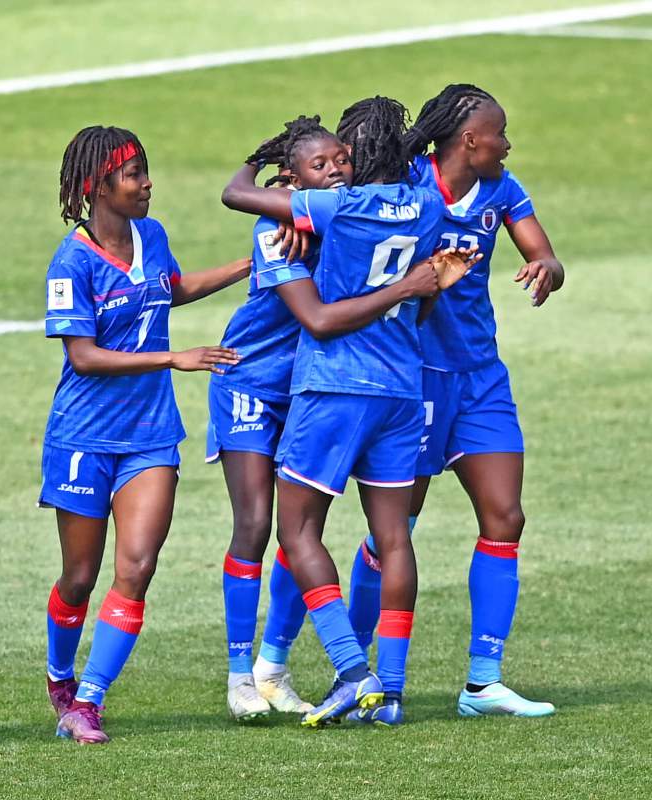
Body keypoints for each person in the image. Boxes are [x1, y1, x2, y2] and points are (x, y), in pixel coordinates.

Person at [210, 115, 475, 722]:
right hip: (325, 386)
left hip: (328, 386)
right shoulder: (407, 208)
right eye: (321, 165)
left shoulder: (332, 215)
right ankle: (358, 687)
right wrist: (417, 284)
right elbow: (402, 290)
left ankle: (325, 669)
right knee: (346, 532)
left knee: (297, 531)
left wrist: (292, 201)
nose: (335, 171)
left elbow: (327, 311)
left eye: (342, 159)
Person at [345, 84, 563, 718]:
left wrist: (547, 266)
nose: (508, 143)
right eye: (500, 134)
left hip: (480, 376)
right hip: (414, 378)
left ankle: (482, 681)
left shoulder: (501, 188)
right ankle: (356, 667)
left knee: (506, 517)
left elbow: (540, 248)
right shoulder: (407, 179)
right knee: (395, 530)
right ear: (470, 141)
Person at [41, 125, 251, 745]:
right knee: (79, 577)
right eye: (133, 175)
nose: (146, 183)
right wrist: (173, 359)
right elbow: (83, 356)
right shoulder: (72, 260)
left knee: (136, 565)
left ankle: (88, 702)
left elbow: (171, 289)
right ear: (96, 186)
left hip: (151, 436)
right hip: (83, 435)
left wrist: (251, 263)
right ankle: (60, 675)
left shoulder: (151, 237)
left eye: (145, 171)